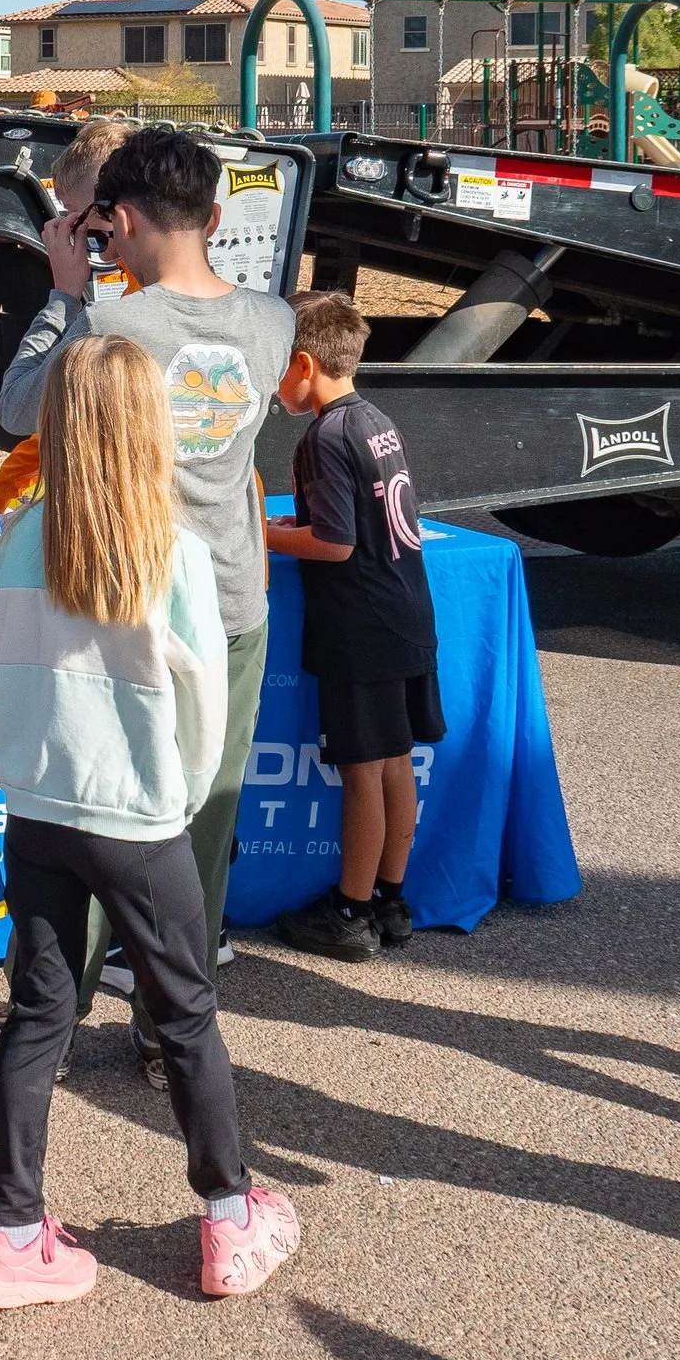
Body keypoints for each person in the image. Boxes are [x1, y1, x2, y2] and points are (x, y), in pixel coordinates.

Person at [0, 334, 299, 1309]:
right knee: (186, 1013)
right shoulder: (176, 553)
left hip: (36, 812)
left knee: (38, 1014)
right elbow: (201, 709)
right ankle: (228, 1212)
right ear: (149, 427)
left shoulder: (15, 539)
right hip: (142, 819)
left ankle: (12, 1229)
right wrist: (180, 798)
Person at [0, 125, 294, 1087]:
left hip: (120, 592)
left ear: (111, 224)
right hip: (232, 601)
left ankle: (54, 1003)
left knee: (95, 802)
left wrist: (66, 287)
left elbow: (14, 409)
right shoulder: (274, 323)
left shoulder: (108, 330)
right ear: (214, 215)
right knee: (201, 816)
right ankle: (174, 1024)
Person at [265, 291, 440, 961]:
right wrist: (296, 528)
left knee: (363, 770)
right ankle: (391, 897)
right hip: (404, 612)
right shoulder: (374, 419)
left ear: (304, 364)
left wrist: (262, 534)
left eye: (278, 365)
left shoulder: (324, 437)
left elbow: (335, 544)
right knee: (397, 762)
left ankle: (350, 908)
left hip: (359, 625)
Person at [0, 116, 135, 518]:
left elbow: (18, 409)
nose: (78, 236)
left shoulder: (109, 324)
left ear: (115, 214)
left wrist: (63, 296)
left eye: (78, 218)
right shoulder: (260, 318)